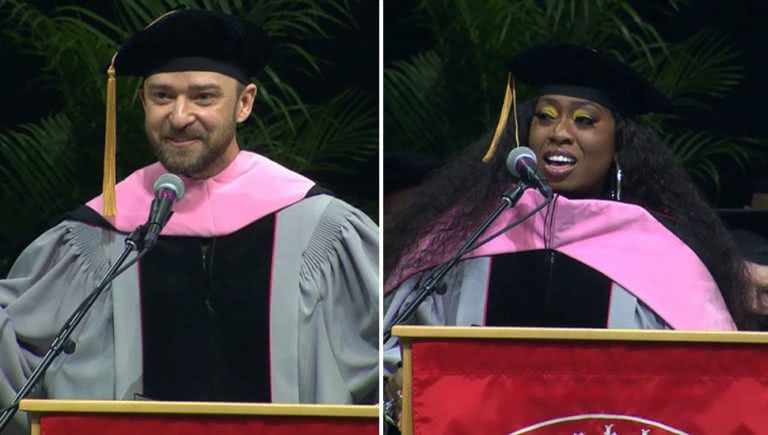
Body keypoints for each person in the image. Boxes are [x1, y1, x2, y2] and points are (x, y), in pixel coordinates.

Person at [0, 9, 379, 435]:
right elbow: (15, 344)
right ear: (143, 101)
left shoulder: (316, 225)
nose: (179, 116)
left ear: (244, 103)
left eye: (203, 97)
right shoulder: (99, 233)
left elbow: (389, 352)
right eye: (162, 96)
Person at [383, 44, 758, 365]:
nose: (560, 133)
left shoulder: (661, 253)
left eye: (584, 120)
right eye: (545, 117)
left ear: (618, 145)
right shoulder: (470, 233)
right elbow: (396, 350)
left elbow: (708, 375)